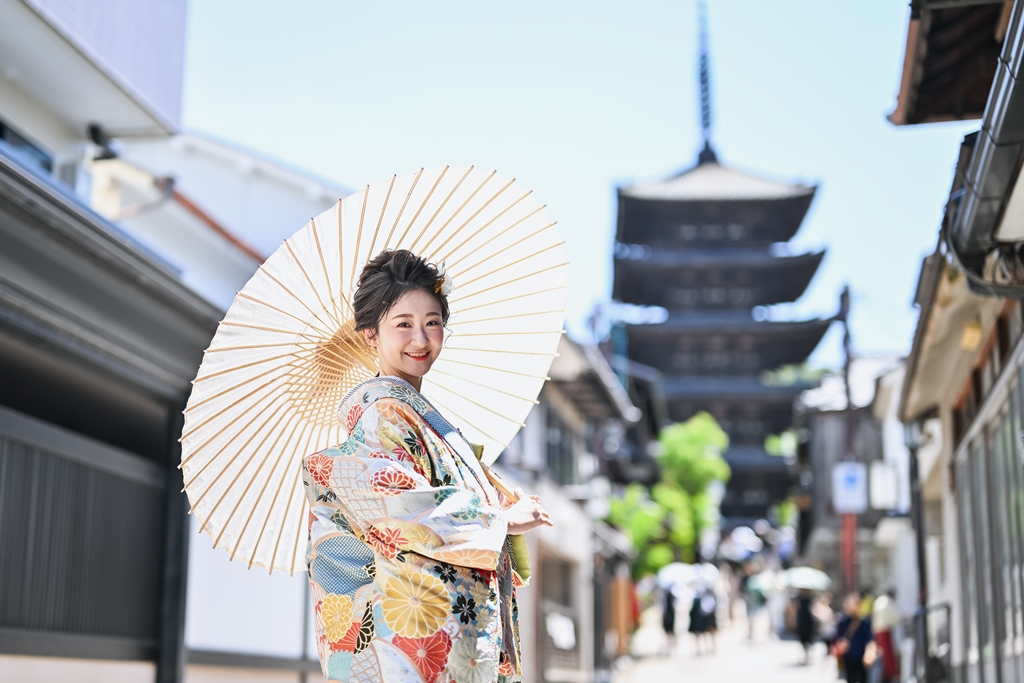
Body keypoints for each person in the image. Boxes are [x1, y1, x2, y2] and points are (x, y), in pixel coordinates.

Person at [302, 249, 553, 683]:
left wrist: (494, 495)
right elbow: (401, 505)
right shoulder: (383, 412)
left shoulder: (419, 416)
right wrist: (499, 519)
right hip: (418, 641)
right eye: (403, 324)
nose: (420, 339)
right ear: (369, 335)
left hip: (446, 632)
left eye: (432, 322)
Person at [832, 591, 874, 683]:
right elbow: (837, 638)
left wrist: (869, 653)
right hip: (848, 657)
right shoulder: (842, 621)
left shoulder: (864, 622)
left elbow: (869, 639)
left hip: (861, 657)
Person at [795, 589, 816, 665]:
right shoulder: (799, 598)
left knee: (808, 637)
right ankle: (806, 654)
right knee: (804, 638)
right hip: (803, 620)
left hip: (807, 620)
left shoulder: (810, 599)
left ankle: (807, 654)